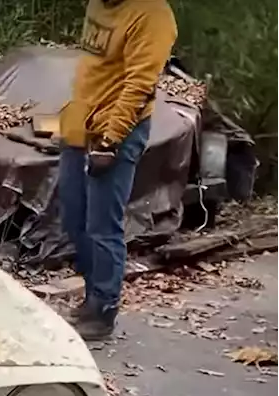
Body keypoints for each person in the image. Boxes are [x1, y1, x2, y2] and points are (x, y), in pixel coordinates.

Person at [59, 0, 177, 340]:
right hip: (80, 123)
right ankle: (91, 293)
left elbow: (140, 86)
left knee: (102, 226)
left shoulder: (152, 14)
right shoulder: (97, 3)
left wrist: (110, 141)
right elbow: (94, 68)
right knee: (74, 216)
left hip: (117, 131)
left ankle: (103, 308)